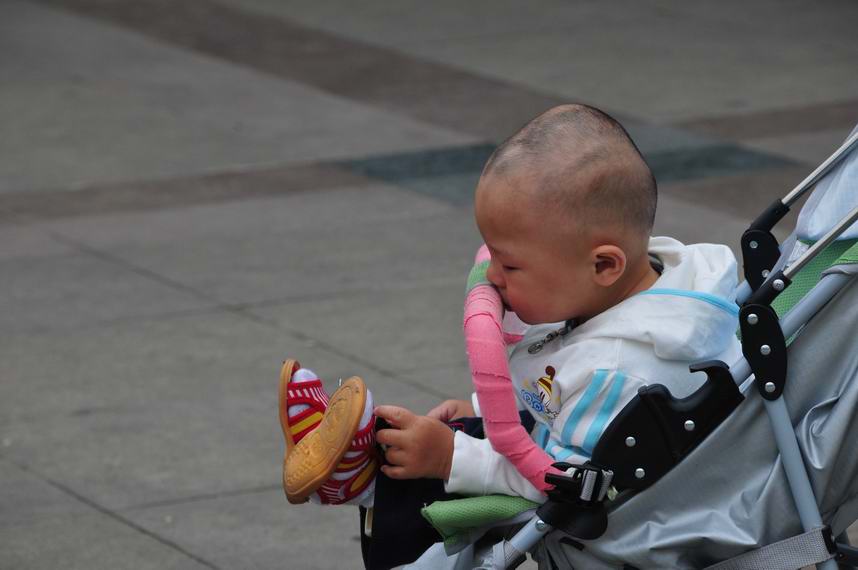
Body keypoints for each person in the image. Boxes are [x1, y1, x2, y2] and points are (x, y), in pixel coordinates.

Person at [278, 104, 743, 568]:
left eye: (510, 265)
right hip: (568, 433)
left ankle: (365, 481)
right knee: (437, 436)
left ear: (604, 264)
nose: (491, 277)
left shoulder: (622, 370)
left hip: (590, 498)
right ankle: (359, 466)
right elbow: (558, 391)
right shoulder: (640, 283)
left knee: (431, 475)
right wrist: (484, 413)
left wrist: (452, 458)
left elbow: (567, 482)